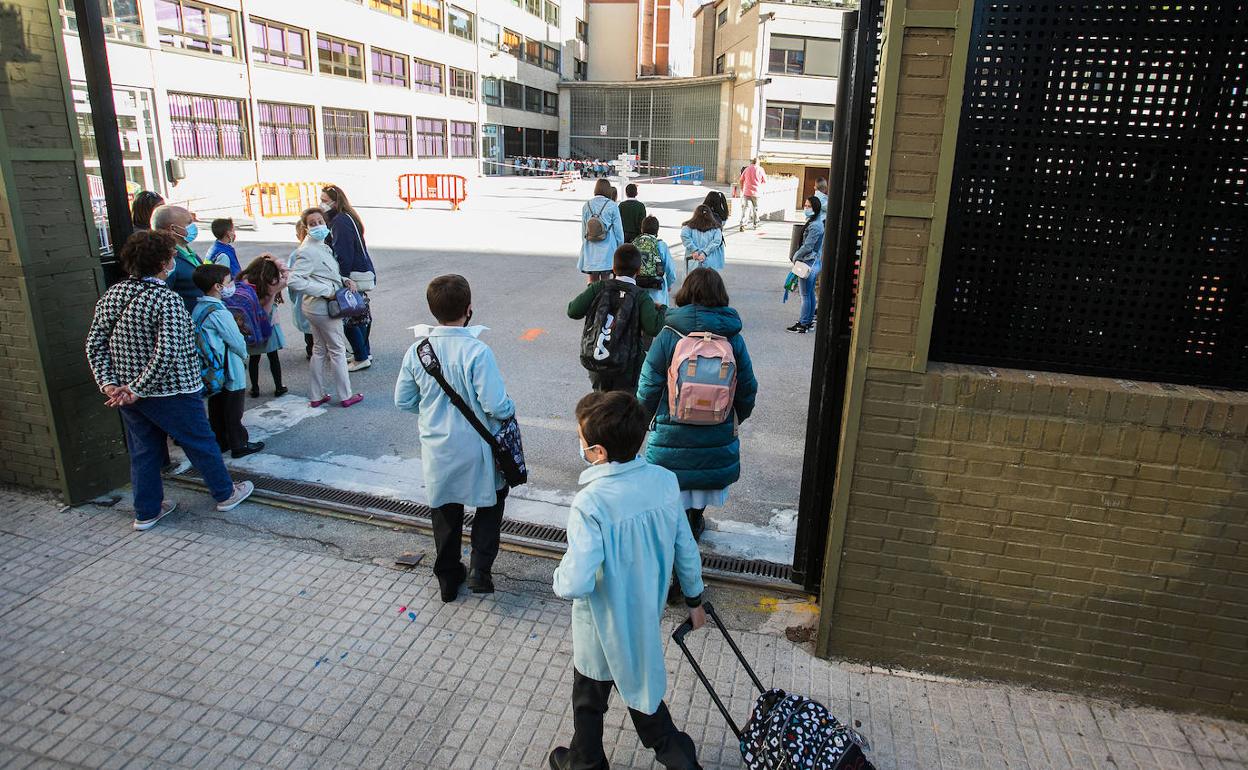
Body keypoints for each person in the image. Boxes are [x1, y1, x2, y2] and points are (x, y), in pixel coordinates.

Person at [548, 390, 706, 770]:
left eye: (581, 439)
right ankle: (679, 758)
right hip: (641, 618)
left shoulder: (591, 502)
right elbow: (686, 547)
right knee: (644, 696)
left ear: (598, 452)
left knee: (588, 696)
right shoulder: (665, 482)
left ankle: (586, 762)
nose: (580, 444)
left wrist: (559, 576)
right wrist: (695, 600)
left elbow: (576, 581)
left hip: (598, 623)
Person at [85, 231, 254, 531]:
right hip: (173, 390)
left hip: (126, 394)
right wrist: (137, 388)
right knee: (200, 442)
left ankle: (147, 511)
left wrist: (111, 384)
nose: (175, 261)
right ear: (163, 264)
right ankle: (225, 493)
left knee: (144, 451)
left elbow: (94, 344)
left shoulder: (112, 295)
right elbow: (168, 352)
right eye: (173, 257)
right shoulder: (166, 300)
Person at [394, 275, 516, 602]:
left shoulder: (418, 351)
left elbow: (403, 401)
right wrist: (510, 407)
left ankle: (448, 578)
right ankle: (480, 569)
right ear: (469, 309)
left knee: (445, 509)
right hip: (477, 448)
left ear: (433, 310)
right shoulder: (478, 351)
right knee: (491, 500)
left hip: (437, 448)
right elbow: (495, 405)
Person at [636, 268, 758, 542]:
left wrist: (642, 421)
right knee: (699, 488)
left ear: (686, 293)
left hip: (671, 432)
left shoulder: (669, 333)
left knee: (672, 490)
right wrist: (732, 418)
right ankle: (695, 520)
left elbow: (649, 384)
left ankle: (676, 536)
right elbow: (748, 387)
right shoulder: (732, 338)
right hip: (717, 429)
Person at [288, 207, 362, 409]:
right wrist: (326, 290)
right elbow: (294, 281)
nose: (318, 225)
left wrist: (344, 280)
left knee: (319, 350)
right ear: (306, 227)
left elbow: (325, 273)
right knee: (337, 350)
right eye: (313, 223)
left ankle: (316, 395)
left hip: (316, 308)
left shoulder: (320, 246)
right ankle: (346, 395)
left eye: (320, 221)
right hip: (322, 308)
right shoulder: (307, 251)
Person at [568, 245, 666, 393]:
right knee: (624, 406)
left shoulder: (599, 287)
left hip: (598, 360)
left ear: (613, 268)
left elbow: (573, 311)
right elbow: (653, 327)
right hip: (627, 366)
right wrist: (662, 310)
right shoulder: (640, 296)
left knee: (601, 403)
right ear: (638, 270)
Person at [191, 264, 264, 458]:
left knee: (217, 406)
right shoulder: (219, 312)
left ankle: (221, 441)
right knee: (234, 407)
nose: (232, 284)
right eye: (228, 281)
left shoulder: (199, 307)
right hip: (228, 366)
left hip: (212, 368)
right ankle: (239, 443)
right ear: (217, 286)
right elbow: (236, 341)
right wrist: (244, 355)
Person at [320, 184, 376, 372]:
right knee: (360, 314)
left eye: (325, 201)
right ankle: (364, 352)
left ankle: (361, 356)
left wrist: (341, 278)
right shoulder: (348, 217)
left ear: (336, 202)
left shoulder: (340, 221)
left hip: (351, 274)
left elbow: (344, 252)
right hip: (360, 270)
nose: (321, 204)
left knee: (349, 316)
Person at [238, 254, 289, 396]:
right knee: (273, 357)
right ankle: (279, 386)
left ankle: (255, 388)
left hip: (250, 323)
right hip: (268, 323)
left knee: (254, 358)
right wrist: (277, 262)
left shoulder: (244, 280)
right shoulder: (273, 283)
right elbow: (289, 276)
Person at [152, 204, 206, 311]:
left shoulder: (187, 251)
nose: (193, 226)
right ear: (173, 229)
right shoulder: (167, 260)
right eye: (189, 223)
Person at [788, 196, 826, 334]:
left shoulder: (815, 226)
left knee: (805, 295)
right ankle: (807, 321)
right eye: (805, 205)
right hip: (813, 262)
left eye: (808, 205)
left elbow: (807, 246)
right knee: (809, 293)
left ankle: (803, 323)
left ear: (815, 208)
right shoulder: (817, 222)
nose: (805, 208)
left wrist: (795, 257)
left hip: (807, 262)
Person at [579, 178, 624, 283]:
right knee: (605, 279)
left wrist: (585, 245)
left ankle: (592, 298)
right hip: (608, 250)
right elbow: (618, 231)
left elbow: (584, 230)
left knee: (592, 279)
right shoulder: (612, 206)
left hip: (591, 249)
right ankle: (604, 298)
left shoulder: (587, 205)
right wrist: (619, 247)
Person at [633, 216, 678, 307]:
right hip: (657, 289)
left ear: (642, 229)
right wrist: (668, 284)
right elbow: (671, 270)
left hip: (638, 288)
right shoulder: (661, 245)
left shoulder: (634, 244)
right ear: (657, 230)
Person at [287, 219, 314, 360]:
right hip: (314, 297)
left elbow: (291, 282)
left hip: (304, 298)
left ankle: (312, 350)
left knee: (310, 329)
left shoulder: (296, 255)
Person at [680, 205, 726, 272]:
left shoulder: (688, 226)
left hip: (693, 259)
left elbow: (684, 236)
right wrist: (705, 253)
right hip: (710, 262)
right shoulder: (716, 228)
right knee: (709, 280)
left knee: (692, 280)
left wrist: (694, 250)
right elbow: (716, 241)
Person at [738, 157, 767, 231]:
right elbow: (765, 181)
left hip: (747, 192)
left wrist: (742, 189)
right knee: (755, 208)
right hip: (756, 193)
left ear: (752, 162)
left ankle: (742, 224)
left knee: (746, 208)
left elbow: (741, 180)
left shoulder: (747, 169)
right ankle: (755, 224)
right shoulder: (760, 169)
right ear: (758, 162)